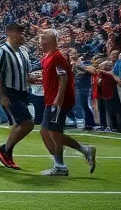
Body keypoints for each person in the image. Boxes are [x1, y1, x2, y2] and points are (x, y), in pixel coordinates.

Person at [36, 29, 97, 176]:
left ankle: (60, 166)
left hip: (58, 100)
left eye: (43, 41)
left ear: (51, 41)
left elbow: (63, 79)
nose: (40, 44)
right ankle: (83, 151)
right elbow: (52, 76)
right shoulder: (48, 56)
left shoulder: (58, 56)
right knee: (45, 132)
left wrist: (59, 98)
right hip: (50, 98)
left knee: (54, 132)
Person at [0, 23, 36, 170]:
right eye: (21, 33)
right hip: (10, 92)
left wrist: (33, 79)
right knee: (27, 123)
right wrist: (1, 95)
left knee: (19, 124)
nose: (24, 36)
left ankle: (6, 153)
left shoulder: (24, 51)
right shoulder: (2, 51)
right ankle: (3, 150)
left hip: (22, 92)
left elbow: (26, 74)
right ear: (11, 34)